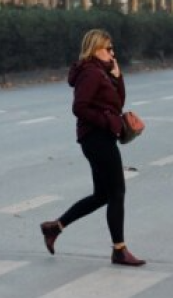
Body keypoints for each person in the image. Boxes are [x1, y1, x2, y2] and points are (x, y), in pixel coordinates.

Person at [39, 28, 145, 266]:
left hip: (100, 138)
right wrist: (108, 121)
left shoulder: (101, 72)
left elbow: (118, 103)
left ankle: (55, 227)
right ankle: (119, 250)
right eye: (108, 49)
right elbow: (80, 107)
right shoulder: (91, 73)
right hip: (96, 138)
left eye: (112, 48)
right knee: (117, 192)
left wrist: (118, 77)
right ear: (96, 48)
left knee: (102, 195)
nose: (112, 52)